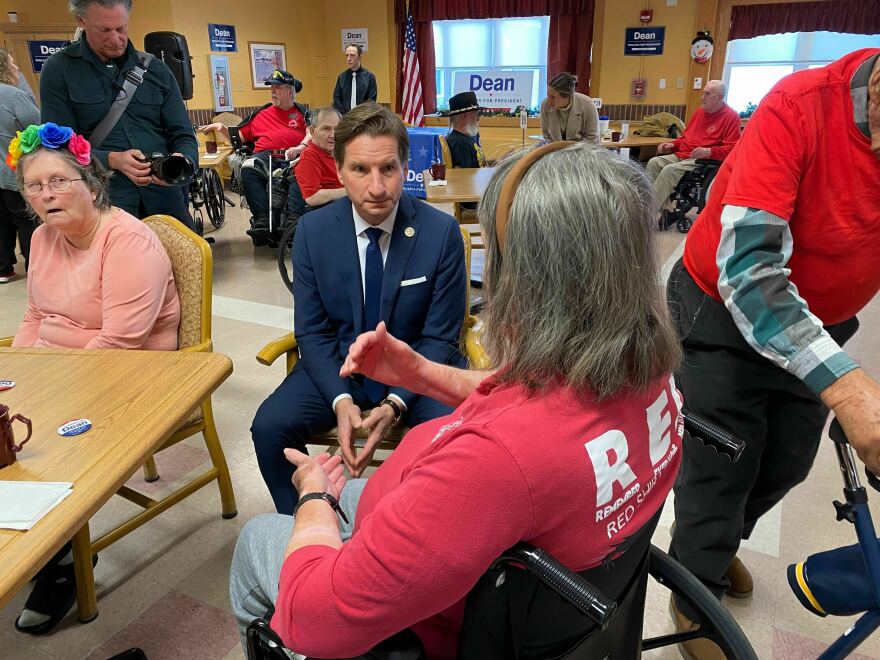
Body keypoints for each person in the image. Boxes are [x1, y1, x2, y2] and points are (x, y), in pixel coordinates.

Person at [229, 141, 684, 659]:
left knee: (260, 535)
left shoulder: (495, 464)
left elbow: (317, 619)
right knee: (354, 493)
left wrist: (313, 502)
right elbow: (536, 393)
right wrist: (423, 374)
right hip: (500, 551)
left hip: (442, 603)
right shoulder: (649, 372)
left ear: (527, 280)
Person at [666, 49, 880, 660]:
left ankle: (715, 542)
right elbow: (750, 272)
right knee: (722, 467)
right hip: (721, 309)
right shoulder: (799, 105)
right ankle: (694, 591)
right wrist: (846, 386)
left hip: (816, 324)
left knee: (787, 461)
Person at [249, 103, 467, 516]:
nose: (377, 187)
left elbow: (440, 337)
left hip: (418, 369)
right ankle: (307, 522)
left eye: (388, 168)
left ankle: (412, 528)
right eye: (360, 170)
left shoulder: (441, 234)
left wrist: (396, 403)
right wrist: (341, 401)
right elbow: (312, 332)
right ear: (339, 169)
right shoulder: (312, 232)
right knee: (269, 427)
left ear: (406, 166)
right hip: (340, 366)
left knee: (451, 440)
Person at [8, 123, 180, 634]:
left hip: (130, 374)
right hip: (64, 368)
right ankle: (27, 536)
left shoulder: (127, 241)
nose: (46, 195)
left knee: (35, 442)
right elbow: (34, 315)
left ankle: (61, 561)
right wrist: (19, 375)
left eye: (59, 181)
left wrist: (46, 386)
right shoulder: (42, 238)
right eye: (34, 186)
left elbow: (120, 344)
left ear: (90, 182)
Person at [39, 0, 199, 232]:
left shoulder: (156, 70)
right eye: (104, 30)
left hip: (167, 202)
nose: (115, 39)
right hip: (103, 202)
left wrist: (184, 161)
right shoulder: (59, 70)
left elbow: (183, 133)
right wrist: (111, 159)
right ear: (81, 21)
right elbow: (58, 146)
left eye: (121, 28)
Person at [201, 69, 309, 238]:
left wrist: (302, 146)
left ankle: (294, 217)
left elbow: (313, 133)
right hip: (265, 156)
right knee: (248, 166)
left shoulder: (302, 114)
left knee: (304, 166)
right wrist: (221, 128)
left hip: (293, 154)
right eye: (271, 87)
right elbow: (239, 138)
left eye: (278, 87)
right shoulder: (261, 114)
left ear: (290, 91)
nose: (273, 91)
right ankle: (262, 218)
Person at [646, 79, 740, 228]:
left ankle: (644, 214)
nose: (702, 97)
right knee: (653, 163)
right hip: (683, 154)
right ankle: (667, 208)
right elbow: (685, 138)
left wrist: (708, 151)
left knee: (669, 170)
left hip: (701, 160)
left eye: (707, 94)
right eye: (703, 93)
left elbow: (732, 149)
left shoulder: (731, 117)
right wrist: (673, 144)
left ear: (720, 97)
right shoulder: (699, 112)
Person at [0, 49, 39, 283]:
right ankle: (36, 267)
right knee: (27, 220)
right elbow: (38, 128)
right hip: (13, 172)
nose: (16, 67)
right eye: (12, 63)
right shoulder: (14, 96)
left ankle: (3, 269)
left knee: (1, 222)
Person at [294, 107, 345, 210]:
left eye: (336, 129)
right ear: (312, 131)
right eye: (326, 129)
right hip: (333, 210)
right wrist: (352, 191)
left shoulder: (343, 151)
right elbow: (312, 197)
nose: (333, 135)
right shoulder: (309, 157)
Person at [540, 72, 599, 144]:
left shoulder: (588, 104)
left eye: (553, 97)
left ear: (568, 96)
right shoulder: (545, 105)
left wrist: (570, 150)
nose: (549, 101)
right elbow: (547, 136)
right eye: (548, 95)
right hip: (556, 149)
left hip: (585, 149)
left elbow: (591, 138)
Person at [445, 91, 488, 169]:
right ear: (465, 116)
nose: (478, 119)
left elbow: (479, 164)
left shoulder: (463, 139)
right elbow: (461, 174)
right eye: (476, 114)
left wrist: (501, 161)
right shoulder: (460, 144)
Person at [332, 43, 378, 115]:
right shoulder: (341, 77)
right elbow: (337, 100)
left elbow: (371, 101)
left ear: (359, 57)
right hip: (345, 118)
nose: (349, 59)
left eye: (352, 55)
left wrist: (360, 116)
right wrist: (345, 117)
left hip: (363, 117)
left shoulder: (370, 77)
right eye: (347, 55)